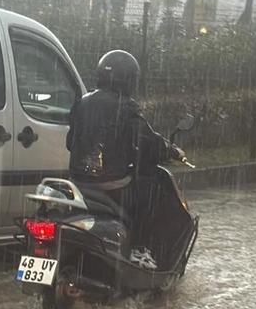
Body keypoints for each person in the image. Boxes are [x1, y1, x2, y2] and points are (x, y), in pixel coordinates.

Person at [66, 50, 184, 268]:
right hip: (111, 184)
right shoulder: (126, 107)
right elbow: (148, 140)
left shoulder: (82, 103)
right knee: (151, 193)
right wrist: (172, 151)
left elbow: (70, 142)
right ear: (129, 80)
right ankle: (140, 249)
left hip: (78, 181)